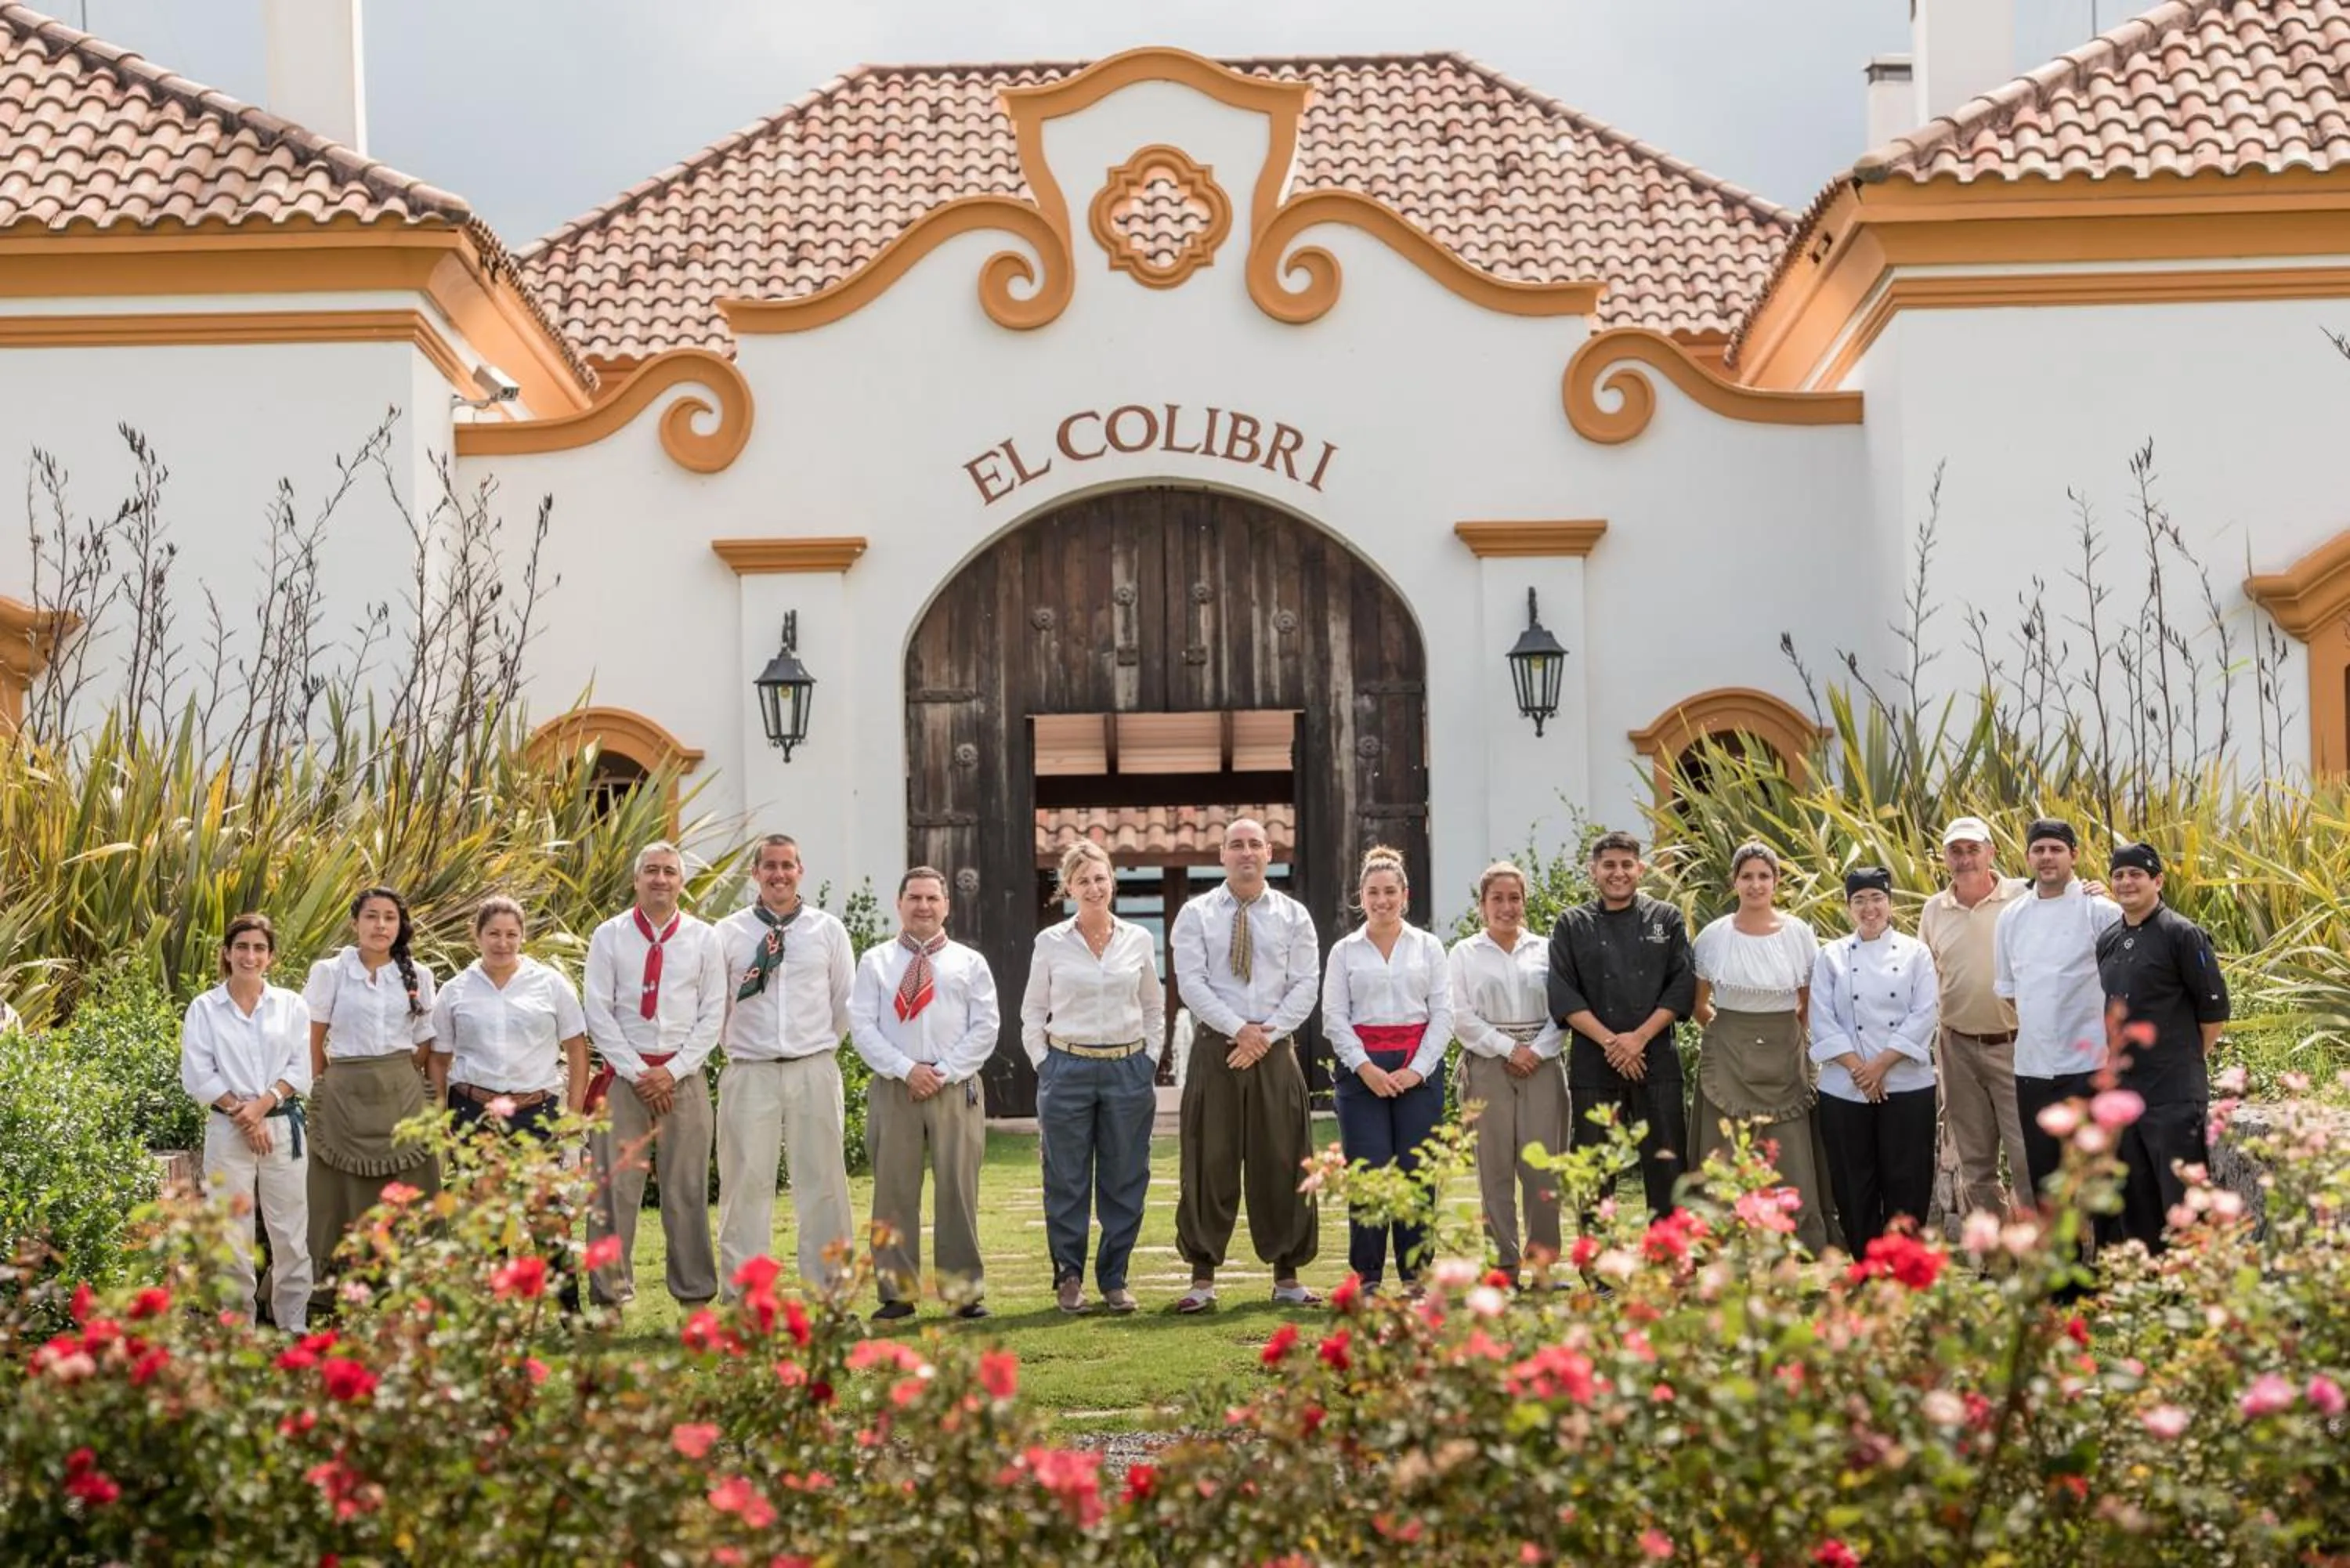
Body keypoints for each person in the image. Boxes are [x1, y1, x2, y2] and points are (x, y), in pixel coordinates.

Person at [1167, 817, 1322, 1313]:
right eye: (1236, 845)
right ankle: (1202, 1279)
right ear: (1222, 855)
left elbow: (1306, 983)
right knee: (1208, 1161)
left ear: (1269, 853)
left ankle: (1287, 1276)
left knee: (1283, 1160)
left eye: (1255, 844)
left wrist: (1264, 1037)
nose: (1246, 852)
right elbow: (1191, 983)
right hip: (1217, 1050)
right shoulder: (1195, 914)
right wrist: (1239, 1030)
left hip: (1275, 1050)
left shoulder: (1294, 916)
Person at [582, 841, 728, 1313]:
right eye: (651, 870)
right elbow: (598, 1010)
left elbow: (713, 1012)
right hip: (625, 1079)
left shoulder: (704, 939)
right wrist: (638, 1071)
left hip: (684, 1078)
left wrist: (673, 1071)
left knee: (687, 1189)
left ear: (681, 882)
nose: (660, 879)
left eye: (669, 871)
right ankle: (609, 1298)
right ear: (636, 879)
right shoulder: (609, 936)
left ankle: (694, 1295)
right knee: (614, 1190)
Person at [1020, 840, 1164, 1315]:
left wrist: (1149, 1058)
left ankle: (1115, 1277)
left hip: (1128, 1068)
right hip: (1067, 1067)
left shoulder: (1138, 939)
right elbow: (1033, 1010)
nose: (1094, 887)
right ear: (1068, 887)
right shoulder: (1050, 942)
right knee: (1066, 1177)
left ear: (1112, 882)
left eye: (1100, 878)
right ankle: (1069, 1276)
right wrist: (1045, 1063)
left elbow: (1153, 1006)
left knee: (1126, 1176)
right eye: (1083, 880)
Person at [850, 866, 1000, 1321]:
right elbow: (863, 1026)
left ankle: (963, 1293)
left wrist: (943, 1072)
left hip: (955, 1087)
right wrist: (907, 1069)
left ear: (946, 906)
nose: (923, 906)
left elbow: (986, 1027)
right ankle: (897, 1294)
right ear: (899, 904)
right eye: (914, 897)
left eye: (933, 898)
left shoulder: (970, 963)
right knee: (894, 1192)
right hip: (896, 1087)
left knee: (958, 1191)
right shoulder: (875, 962)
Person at [429, 895, 591, 1310]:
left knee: (548, 1215)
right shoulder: (455, 990)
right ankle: (493, 1312)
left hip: (536, 1111)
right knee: (485, 1218)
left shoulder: (550, 984)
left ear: (522, 936)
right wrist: (441, 1119)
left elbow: (577, 1051)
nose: (502, 943)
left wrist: (573, 1116)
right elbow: (439, 1059)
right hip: (473, 1113)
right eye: (494, 934)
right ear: (477, 936)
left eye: (511, 934)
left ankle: (569, 1313)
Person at [713, 834, 856, 1296]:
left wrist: (815, 1049)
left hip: (812, 1068)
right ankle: (745, 1294)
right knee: (744, 1185)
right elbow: (715, 1006)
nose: (779, 874)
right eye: (770, 866)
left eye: (787, 865)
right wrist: (742, 1050)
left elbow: (844, 1003)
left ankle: (831, 1291)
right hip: (749, 1071)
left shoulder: (828, 930)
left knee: (823, 1183)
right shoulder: (727, 933)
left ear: (800, 870)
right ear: (755, 873)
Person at [1692, 843, 1835, 1254]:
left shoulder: (1799, 934)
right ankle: (1724, 1239)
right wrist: (1727, 1037)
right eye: (1747, 876)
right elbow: (1699, 1004)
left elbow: (1808, 1002)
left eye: (1764, 876)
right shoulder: (1712, 937)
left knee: (1788, 1146)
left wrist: (1787, 1040)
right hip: (1728, 1051)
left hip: (1785, 1051)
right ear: (1734, 881)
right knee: (1726, 1145)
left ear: (1776, 882)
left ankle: (1795, 1238)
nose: (1755, 885)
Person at [1322, 845, 1452, 1295]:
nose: (1382, 900)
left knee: (1416, 1171)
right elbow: (1334, 1017)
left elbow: (1444, 1014)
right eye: (1373, 892)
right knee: (1370, 1170)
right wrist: (1365, 1068)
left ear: (1405, 895)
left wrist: (1418, 1069)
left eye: (1390, 892)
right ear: (1361, 896)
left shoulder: (1429, 947)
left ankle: (1416, 1273)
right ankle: (1369, 1276)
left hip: (1419, 1071)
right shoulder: (1344, 952)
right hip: (1362, 1073)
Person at [1546, 831, 1695, 1221]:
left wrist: (1639, 1039)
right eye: (1609, 865)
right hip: (1594, 1066)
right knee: (1595, 1173)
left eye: (1627, 864)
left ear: (1640, 869)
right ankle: (1598, 1256)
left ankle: (1669, 1252)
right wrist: (1615, 1044)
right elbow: (1564, 994)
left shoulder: (1666, 918)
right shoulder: (1572, 924)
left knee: (1668, 1169)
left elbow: (1682, 986)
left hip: (1656, 1061)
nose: (1618, 873)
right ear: (1593, 870)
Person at [304, 886, 439, 1304]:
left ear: (400, 926)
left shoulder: (420, 975)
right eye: (371, 916)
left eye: (390, 918)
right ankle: (337, 1294)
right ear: (355, 923)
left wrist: (400, 1079)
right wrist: (324, 1088)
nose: (381, 925)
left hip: (402, 1095)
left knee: (408, 1193)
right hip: (343, 1096)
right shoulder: (330, 972)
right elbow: (313, 1038)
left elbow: (424, 1042)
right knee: (337, 1197)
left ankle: (409, 1291)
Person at [180, 913, 312, 1330]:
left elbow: (302, 1067)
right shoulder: (205, 1008)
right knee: (231, 1231)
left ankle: (293, 1324)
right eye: (241, 947)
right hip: (227, 1129)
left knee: (290, 1231)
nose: (249, 956)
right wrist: (246, 1116)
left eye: (259, 948)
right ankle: (237, 1330)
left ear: (271, 957)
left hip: (283, 1127)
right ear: (226, 952)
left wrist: (263, 1106)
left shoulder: (291, 1005)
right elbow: (197, 1074)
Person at [2096, 843, 2229, 1252]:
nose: (2126, 882)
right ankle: (2149, 1287)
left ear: (2158, 881)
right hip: (2127, 1097)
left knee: (2183, 1207)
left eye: (2136, 874)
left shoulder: (2182, 934)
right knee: (2136, 1208)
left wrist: (2185, 1061)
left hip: (2174, 1097)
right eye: (2119, 875)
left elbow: (2214, 1011)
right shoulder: (2109, 940)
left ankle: (2191, 1286)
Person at [1993, 818, 2123, 1213]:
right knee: (2047, 1186)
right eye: (2039, 850)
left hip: (2089, 1067)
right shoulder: (2011, 917)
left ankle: (2107, 1255)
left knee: (2099, 1183)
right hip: (2033, 1069)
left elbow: (2126, 985)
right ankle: (2060, 1258)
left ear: (2074, 855)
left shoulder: (2100, 910)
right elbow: (2010, 992)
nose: (2047, 857)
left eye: (2056, 849)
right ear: (2028, 856)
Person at [1809, 867, 1940, 1253]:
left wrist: (1880, 1065)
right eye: (1860, 900)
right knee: (1853, 1182)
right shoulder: (1830, 955)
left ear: (1890, 902)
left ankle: (1903, 1266)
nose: (1870, 908)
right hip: (1845, 1087)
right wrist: (1860, 1070)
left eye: (1877, 898)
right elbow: (1821, 1017)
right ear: (1848, 907)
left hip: (1907, 1084)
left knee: (1908, 1179)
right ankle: (1865, 1267)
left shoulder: (1916, 953)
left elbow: (1925, 1013)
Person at [1450, 862, 1567, 1285]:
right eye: (1497, 898)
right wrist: (1508, 1049)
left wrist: (1536, 1050)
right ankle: (1503, 1266)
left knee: (1543, 1170)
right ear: (1482, 904)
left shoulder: (1548, 950)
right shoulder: (1464, 953)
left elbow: (1565, 1008)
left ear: (1524, 901)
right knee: (1494, 1169)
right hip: (1488, 1067)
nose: (1506, 906)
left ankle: (1542, 1267)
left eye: (1514, 898)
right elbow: (1460, 1016)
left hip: (1542, 1065)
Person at [1917, 816, 2033, 1222]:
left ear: (1991, 853)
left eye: (1973, 849)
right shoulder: (1933, 909)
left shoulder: (2024, 896)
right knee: (1976, 1165)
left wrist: (2095, 889)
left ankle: (2038, 1250)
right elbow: (1925, 976)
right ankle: (1995, 1252)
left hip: (2016, 1045)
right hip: (1958, 1048)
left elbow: (2070, 904)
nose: (1965, 859)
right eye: (1956, 851)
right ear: (1945, 858)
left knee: (2027, 1159)